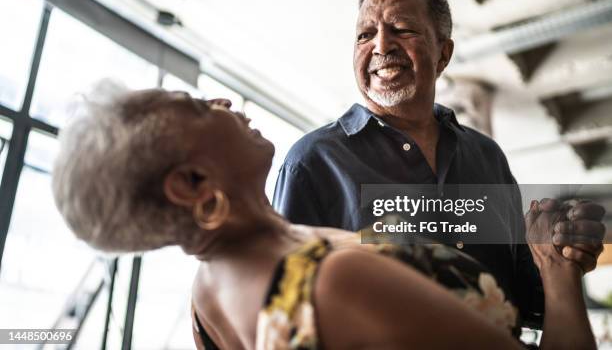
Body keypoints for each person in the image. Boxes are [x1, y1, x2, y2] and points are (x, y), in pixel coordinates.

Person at [52, 84, 599, 349]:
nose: (221, 100)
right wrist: (558, 270)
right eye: (198, 108)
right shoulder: (336, 279)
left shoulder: (207, 296)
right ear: (194, 184)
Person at [272, 0, 606, 328]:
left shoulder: (486, 157)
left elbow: (526, 299)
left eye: (402, 29)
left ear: (443, 53)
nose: (381, 46)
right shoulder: (312, 162)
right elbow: (283, 309)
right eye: (365, 35)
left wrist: (560, 260)